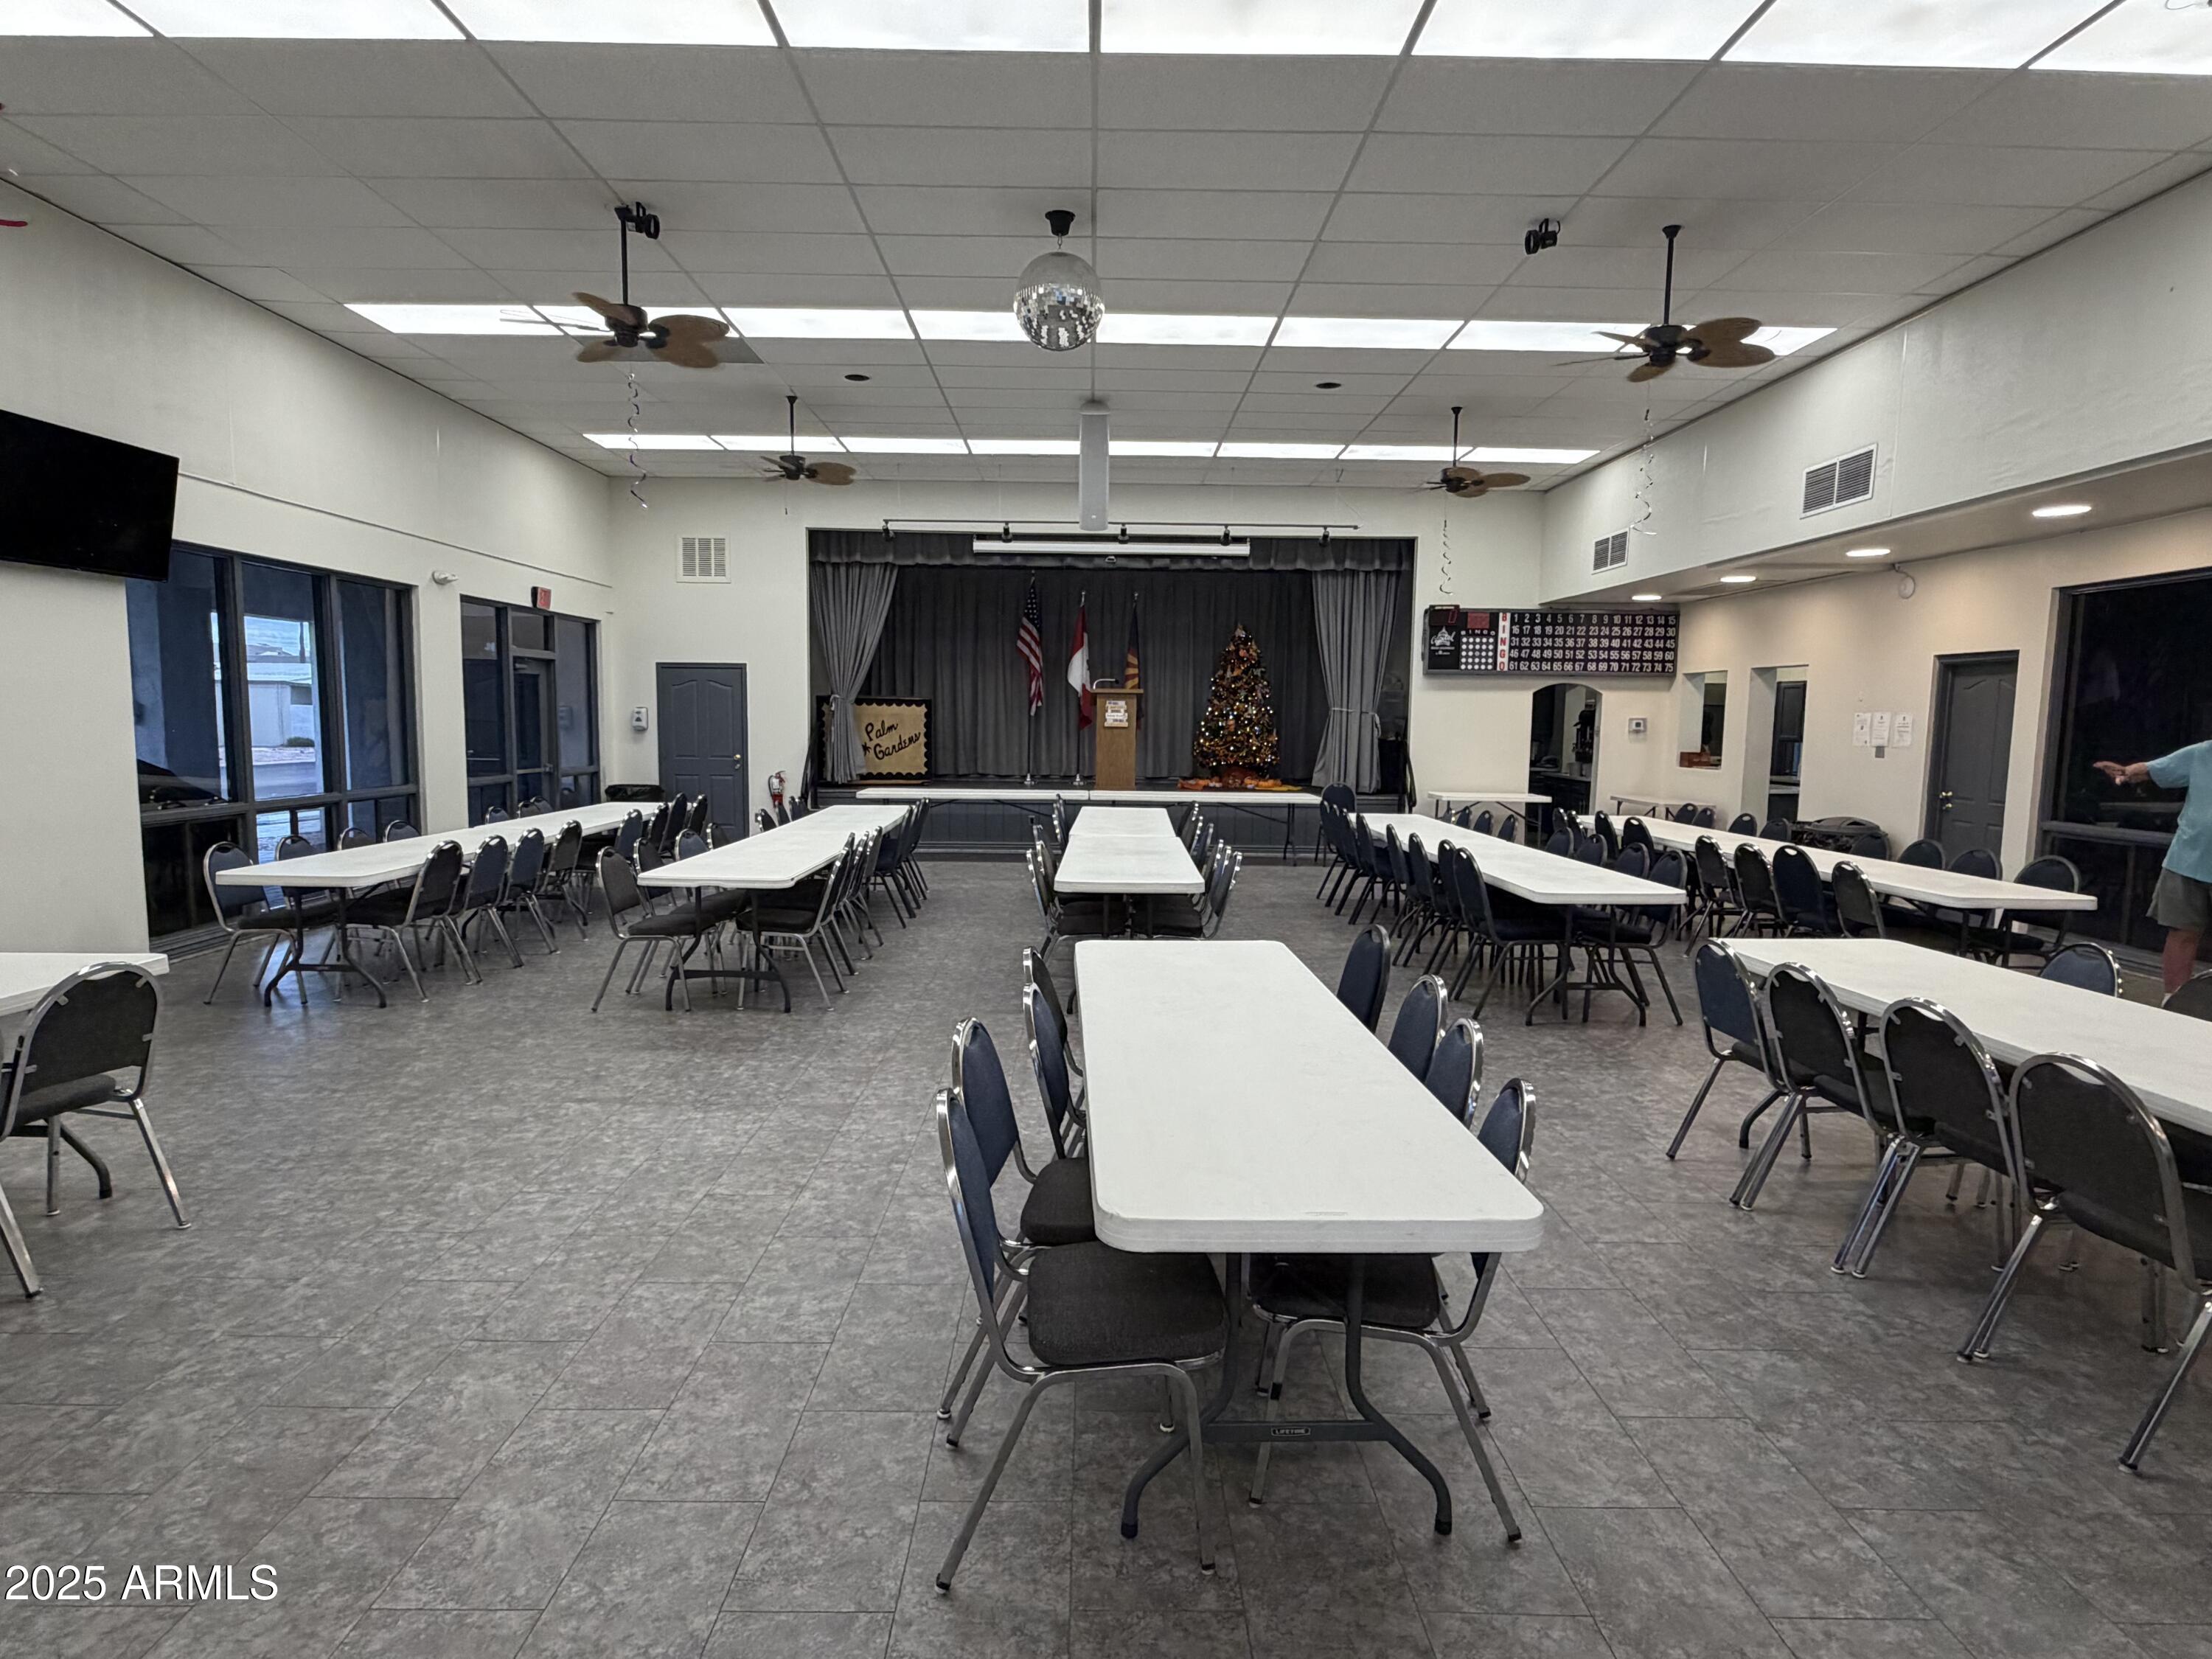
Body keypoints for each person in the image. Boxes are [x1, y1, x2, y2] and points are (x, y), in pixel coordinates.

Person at [2096, 743, 2212, 995]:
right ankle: (2173, 1003)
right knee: (2181, 934)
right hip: (2187, 861)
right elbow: (2154, 769)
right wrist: (2125, 773)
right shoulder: (2202, 753)